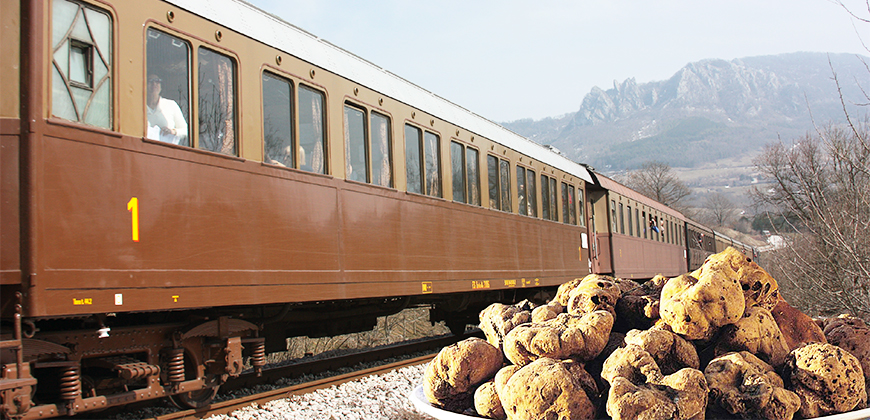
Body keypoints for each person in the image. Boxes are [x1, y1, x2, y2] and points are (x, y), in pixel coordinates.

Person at [146, 74, 188, 145]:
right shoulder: (139, 107)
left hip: (166, 152)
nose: (154, 84)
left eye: (157, 81)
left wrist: (173, 131)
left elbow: (186, 131)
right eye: (150, 81)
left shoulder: (171, 105)